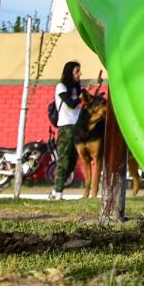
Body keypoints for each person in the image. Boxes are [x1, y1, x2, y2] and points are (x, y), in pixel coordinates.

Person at [51, 60, 87, 199]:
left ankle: (56, 190)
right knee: (63, 160)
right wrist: (80, 97)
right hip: (66, 126)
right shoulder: (61, 87)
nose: (80, 74)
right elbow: (71, 104)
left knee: (72, 160)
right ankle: (58, 192)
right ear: (69, 72)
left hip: (77, 126)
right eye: (77, 71)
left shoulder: (76, 88)